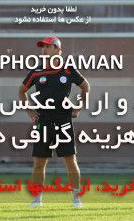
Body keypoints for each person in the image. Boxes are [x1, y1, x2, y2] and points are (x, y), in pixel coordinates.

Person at [18, 36, 90, 208]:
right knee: (39, 163)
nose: (44, 50)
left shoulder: (68, 70)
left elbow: (85, 86)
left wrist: (78, 107)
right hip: (43, 121)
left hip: (63, 120)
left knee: (70, 160)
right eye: (42, 47)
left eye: (48, 47)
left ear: (58, 49)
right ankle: (37, 199)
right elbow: (22, 91)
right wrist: (29, 110)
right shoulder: (37, 71)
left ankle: (76, 199)